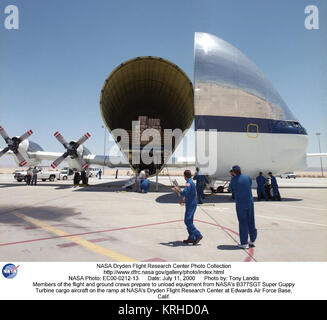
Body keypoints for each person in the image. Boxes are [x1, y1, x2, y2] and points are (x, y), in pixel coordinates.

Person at [229, 165, 257, 249]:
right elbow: (249, 184)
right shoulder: (247, 177)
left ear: (233, 172)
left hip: (241, 204)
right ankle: (252, 240)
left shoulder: (234, 180)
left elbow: (230, 189)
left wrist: (233, 178)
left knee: (243, 223)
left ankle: (244, 243)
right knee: (251, 221)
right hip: (250, 202)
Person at [174, 170, 203, 245]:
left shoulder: (188, 184)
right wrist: (183, 199)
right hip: (191, 203)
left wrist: (178, 190)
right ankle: (191, 237)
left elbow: (184, 192)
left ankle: (198, 235)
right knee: (189, 221)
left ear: (185, 176)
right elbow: (189, 194)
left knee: (187, 221)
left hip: (191, 204)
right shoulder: (190, 183)